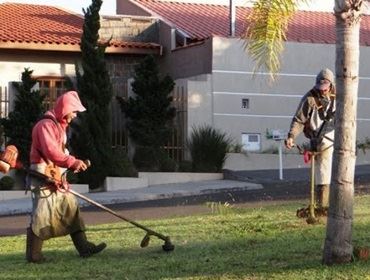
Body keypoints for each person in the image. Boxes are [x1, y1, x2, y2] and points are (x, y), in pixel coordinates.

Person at [26, 91, 106, 263]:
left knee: (70, 207)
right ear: (65, 109)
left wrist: (71, 163)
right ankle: (34, 255)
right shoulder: (46, 125)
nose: (76, 115)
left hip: (54, 173)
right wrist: (72, 162)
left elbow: (59, 154)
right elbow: (51, 152)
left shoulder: (59, 126)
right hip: (42, 174)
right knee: (41, 214)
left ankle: (84, 247)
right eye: (74, 111)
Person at [285, 68, 335, 211]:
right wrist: (291, 136)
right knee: (322, 170)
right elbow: (299, 120)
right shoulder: (309, 98)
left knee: (328, 171)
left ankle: (327, 204)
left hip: (336, 138)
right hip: (317, 139)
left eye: (325, 88)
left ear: (330, 85)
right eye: (320, 88)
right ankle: (322, 205)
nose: (322, 91)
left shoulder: (340, 96)